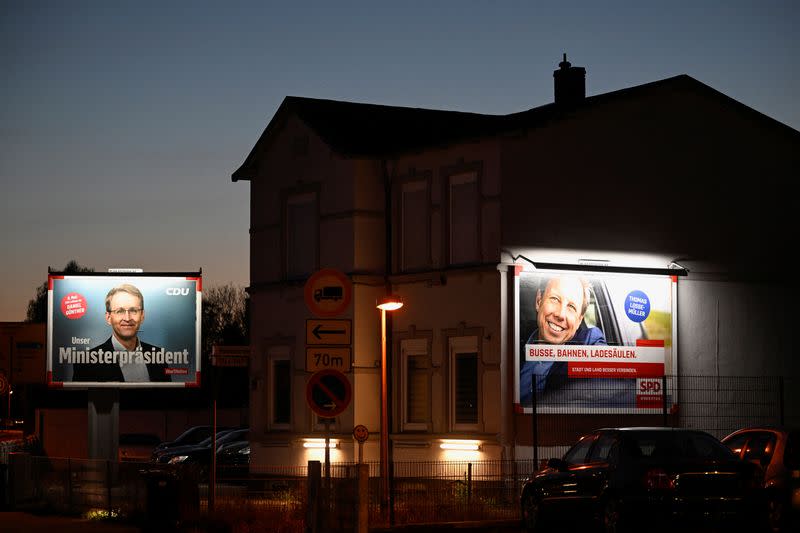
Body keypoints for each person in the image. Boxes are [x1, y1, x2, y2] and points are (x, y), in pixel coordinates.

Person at [519, 275, 606, 404]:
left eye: (571, 307)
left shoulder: (590, 341)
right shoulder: (515, 340)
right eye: (554, 299)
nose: (560, 314)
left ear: (579, 320)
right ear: (539, 301)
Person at [72, 283, 169, 382]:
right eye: (120, 311)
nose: (127, 318)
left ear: (142, 316)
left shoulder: (159, 356)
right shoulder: (85, 363)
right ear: (108, 317)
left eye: (133, 310)